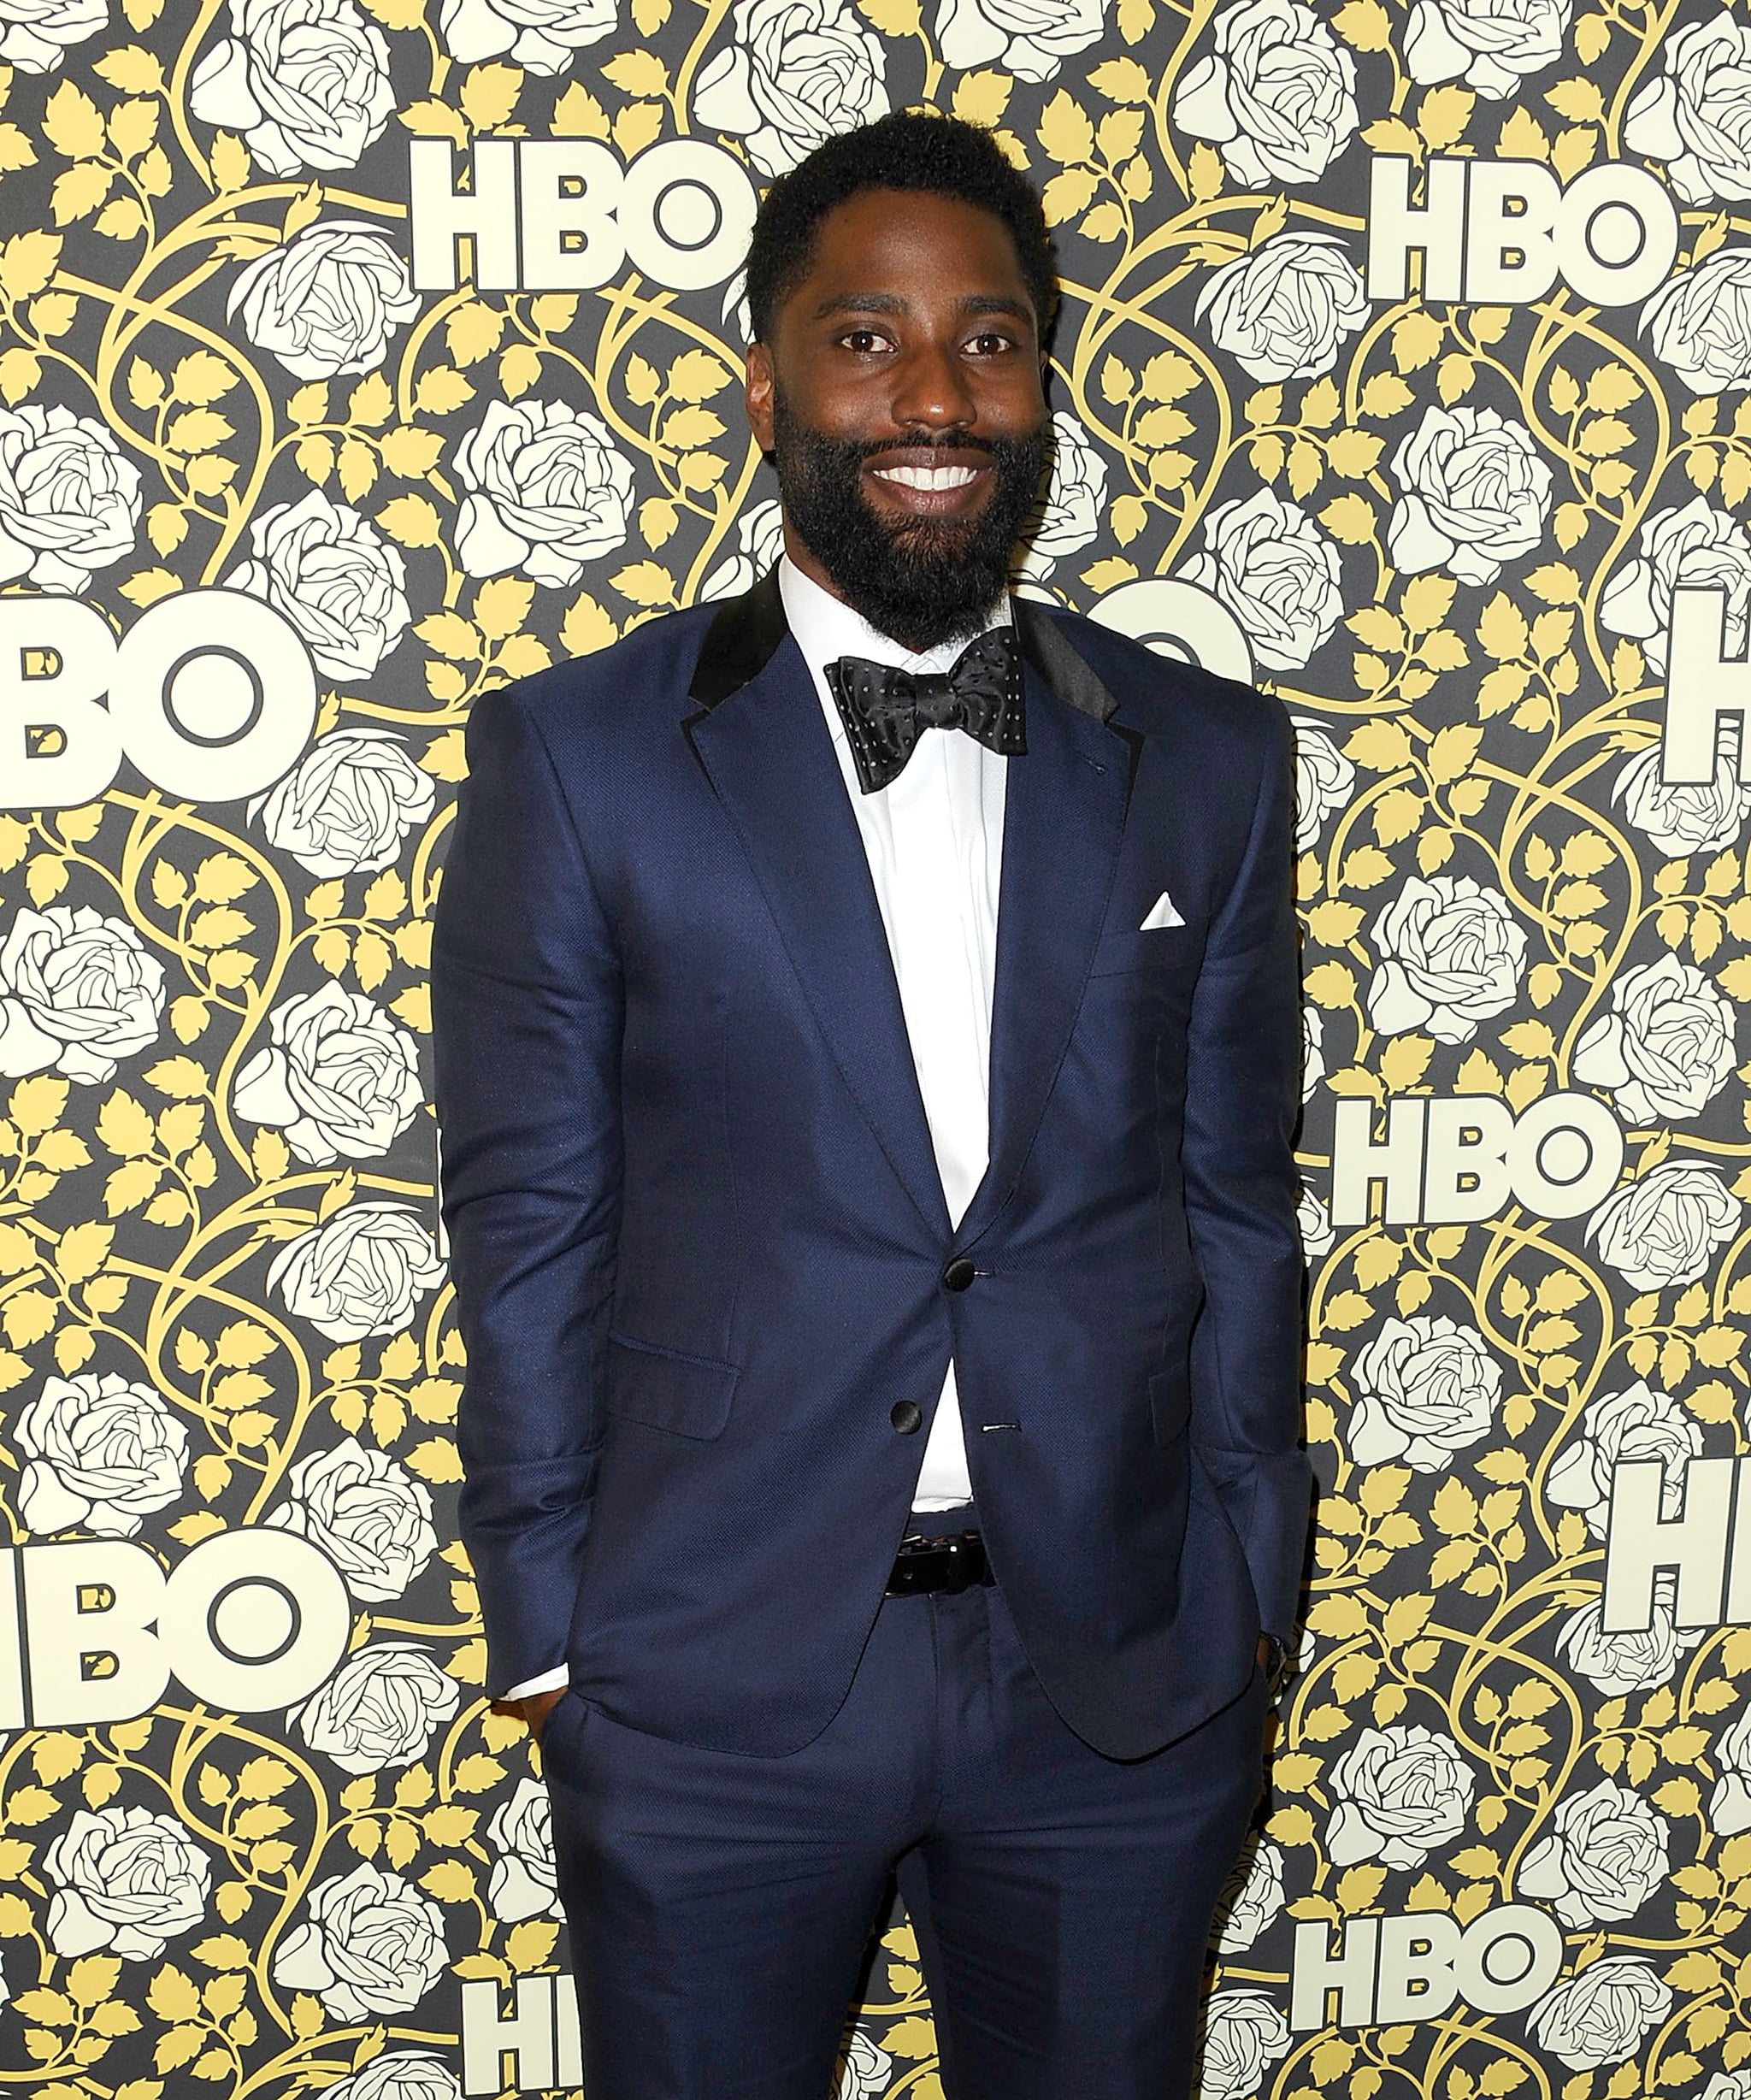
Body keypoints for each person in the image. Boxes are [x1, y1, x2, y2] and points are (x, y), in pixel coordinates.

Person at [432, 109, 1310, 2100]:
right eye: (866, 338)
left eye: (989, 342)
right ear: (765, 379)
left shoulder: (1208, 757)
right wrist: (553, 1625)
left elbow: (1235, 1196)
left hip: (1113, 1677)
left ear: (1043, 380)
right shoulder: (580, 759)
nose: (935, 395)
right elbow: (529, 1221)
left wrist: (1254, 1575)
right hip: (711, 1673)